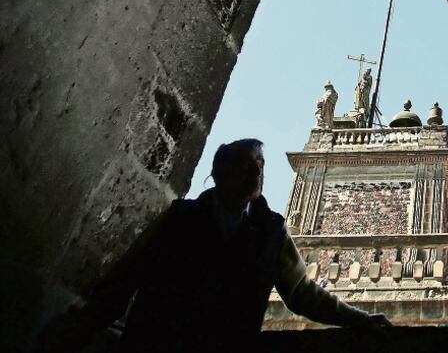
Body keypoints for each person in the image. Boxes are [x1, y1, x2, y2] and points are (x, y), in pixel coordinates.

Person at [39, 139, 389, 352]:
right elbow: (126, 276)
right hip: (155, 342)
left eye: (260, 165)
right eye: (246, 164)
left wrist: (358, 319)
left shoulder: (270, 229)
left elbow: (302, 292)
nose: (256, 172)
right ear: (221, 172)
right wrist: (84, 325)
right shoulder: (181, 217)